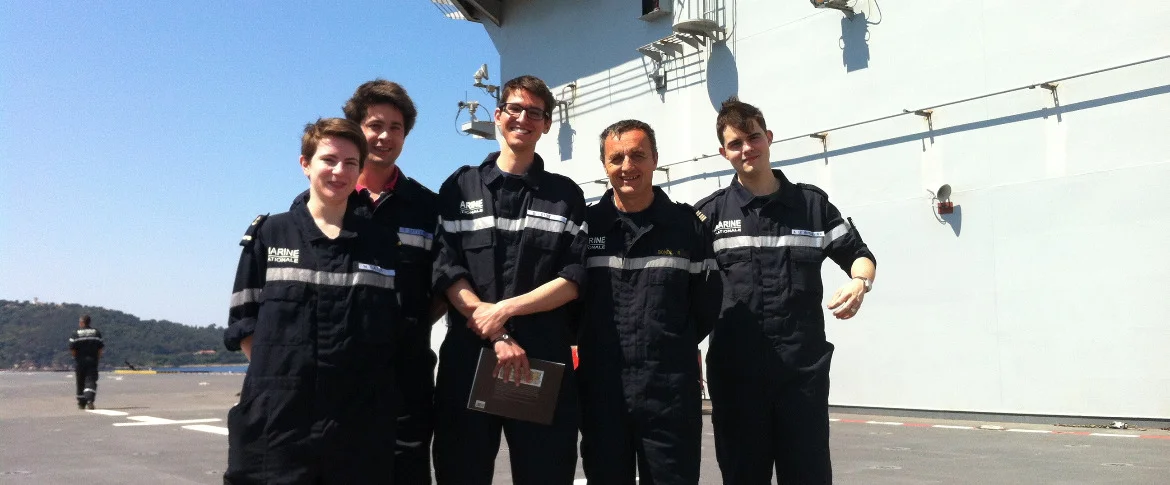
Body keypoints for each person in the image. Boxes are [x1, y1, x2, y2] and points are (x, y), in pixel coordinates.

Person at [695, 98, 877, 484]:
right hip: (736, 378)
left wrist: (860, 283)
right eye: (735, 143)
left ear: (769, 138)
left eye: (753, 137)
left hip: (801, 377)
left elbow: (859, 255)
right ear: (723, 152)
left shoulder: (811, 206)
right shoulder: (708, 216)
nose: (747, 149)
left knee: (808, 476)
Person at [222, 118, 404, 484]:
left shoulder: (382, 245)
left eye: (351, 163)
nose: (340, 171)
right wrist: (284, 381)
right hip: (279, 423)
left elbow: (390, 327)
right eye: (329, 160)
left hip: (357, 422)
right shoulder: (270, 234)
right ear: (305, 164)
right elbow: (244, 323)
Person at [431, 75, 586, 485]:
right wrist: (496, 334)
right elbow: (447, 268)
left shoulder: (565, 196)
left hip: (540, 365)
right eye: (514, 109)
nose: (523, 118)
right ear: (498, 116)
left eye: (535, 112)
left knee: (545, 475)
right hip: (470, 359)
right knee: (460, 473)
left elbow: (573, 278)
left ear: (547, 124)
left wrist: (502, 311)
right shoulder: (459, 186)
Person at [577, 120, 720, 485]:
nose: (628, 166)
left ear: (655, 159)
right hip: (602, 392)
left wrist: (667, 344)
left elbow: (706, 305)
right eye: (617, 157)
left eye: (638, 155)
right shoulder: (586, 228)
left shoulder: (688, 228)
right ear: (605, 166)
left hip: (669, 394)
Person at [341, 79, 442, 485]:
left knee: (408, 471)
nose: (384, 136)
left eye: (396, 127)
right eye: (374, 125)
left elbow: (443, 285)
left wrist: (411, 327)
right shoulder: (328, 201)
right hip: (341, 372)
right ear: (355, 129)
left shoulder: (427, 207)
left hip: (407, 373)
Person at [68, 314, 104, 410]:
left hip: (80, 361)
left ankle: (81, 403)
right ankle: (90, 400)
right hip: (92, 361)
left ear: (82, 322)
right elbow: (100, 349)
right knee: (91, 380)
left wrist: (76, 357)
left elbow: (72, 348)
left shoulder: (75, 334)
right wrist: (97, 359)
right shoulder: (96, 333)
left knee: (80, 381)